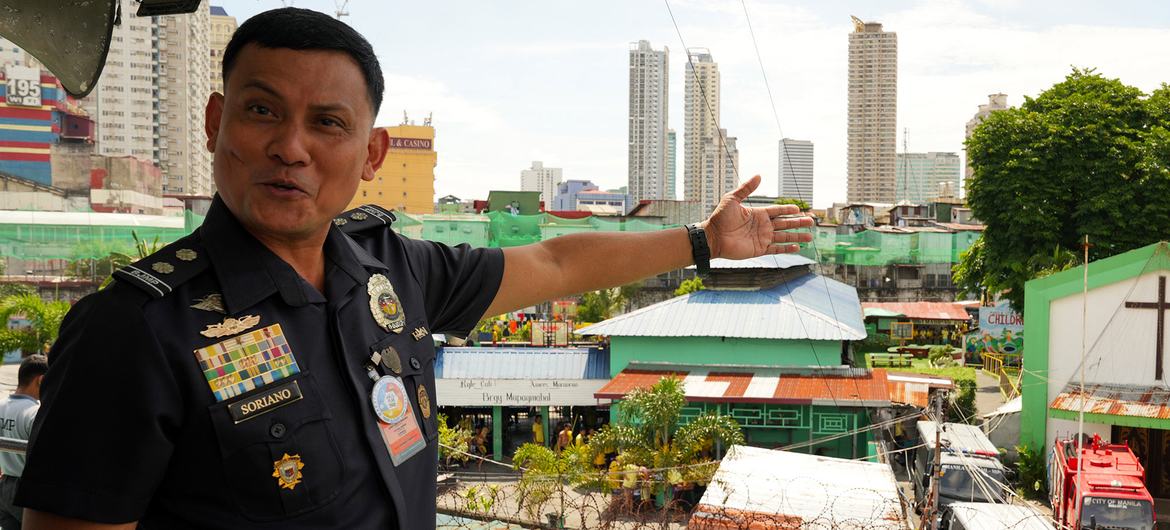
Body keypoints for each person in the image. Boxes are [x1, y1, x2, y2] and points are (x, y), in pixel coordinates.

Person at [15, 8, 811, 530]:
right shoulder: (135, 330)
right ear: (217, 122)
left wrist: (700, 245)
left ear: (369, 155)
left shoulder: (390, 267)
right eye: (262, 111)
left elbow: (557, 257)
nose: (290, 146)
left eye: (326, 123)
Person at [0, 355, 47, 530]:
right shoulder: (35, 412)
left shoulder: (1, 405)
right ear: (41, 380)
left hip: (3, 486)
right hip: (26, 491)